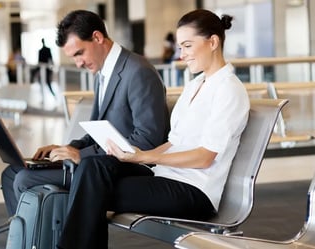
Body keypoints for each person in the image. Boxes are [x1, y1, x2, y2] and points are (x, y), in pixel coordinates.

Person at [56, 9, 250, 249]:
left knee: (91, 189)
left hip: (194, 190)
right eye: (180, 47)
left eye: (188, 46)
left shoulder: (229, 90)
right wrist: (135, 157)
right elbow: (174, 141)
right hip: (165, 175)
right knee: (94, 166)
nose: (182, 55)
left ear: (213, 42)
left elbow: (205, 157)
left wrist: (143, 156)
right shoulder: (195, 85)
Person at [0, 10, 170, 219]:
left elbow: (147, 140)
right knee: (11, 174)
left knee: (25, 179)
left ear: (98, 38)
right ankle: (25, 239)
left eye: (79, 53)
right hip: (100, 162)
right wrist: (69, 148)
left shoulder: (138, 71)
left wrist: (83, 156)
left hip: (130, 168)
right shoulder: (104, 73)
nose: (78, 63)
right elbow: (97, 131)